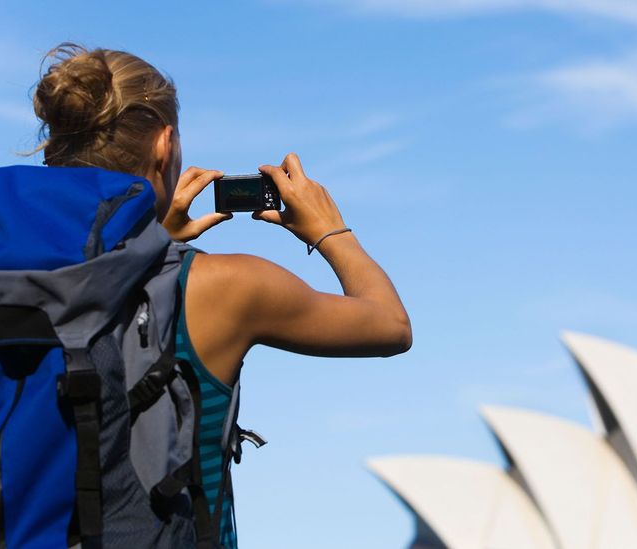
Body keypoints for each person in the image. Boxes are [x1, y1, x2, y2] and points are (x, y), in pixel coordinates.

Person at [32, 43, 412, 546]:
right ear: (165, 145)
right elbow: (390, 325)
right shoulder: (224, 286)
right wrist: (330, 229)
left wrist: (152, 240)